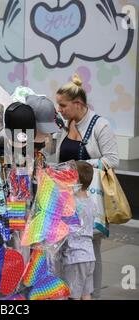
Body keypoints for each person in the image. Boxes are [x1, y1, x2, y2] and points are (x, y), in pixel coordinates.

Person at [55, 73, 119, 299]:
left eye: (62, 105)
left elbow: (112, 159)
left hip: (89, 199)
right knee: (66, 248)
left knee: (90, 250)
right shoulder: (66, 124)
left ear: (78, 103)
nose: (59, 109)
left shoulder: (100, 125)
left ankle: (92, 294)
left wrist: (79, 165)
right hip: (66, 197)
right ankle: (71, 292)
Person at [61, 161, 96, 300]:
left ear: (75, 180)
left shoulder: (71, 203)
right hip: (89, 256)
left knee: (73, 295)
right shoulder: (92, 203)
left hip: (75, 257)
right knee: (85, 293)